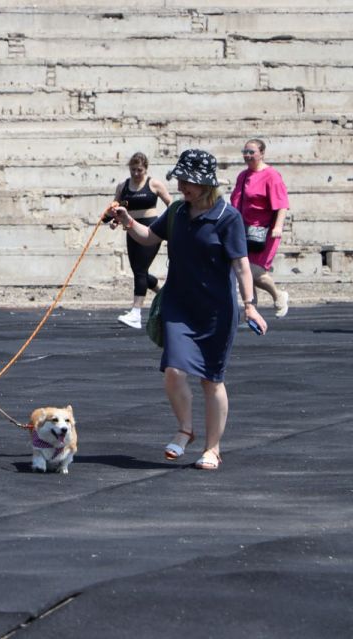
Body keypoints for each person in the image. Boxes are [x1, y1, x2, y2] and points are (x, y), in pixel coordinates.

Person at [109, 149, 267, 471]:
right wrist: (128, 221)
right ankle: (185, 429)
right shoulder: (177, 211)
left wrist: (250, 306)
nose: (181, 186)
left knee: (211, 380)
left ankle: (213, 448)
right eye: (179, 180)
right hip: (179, 305)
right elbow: (149, 237)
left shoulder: (227, 217)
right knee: (173, 370)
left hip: (216, 311)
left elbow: (241, 266)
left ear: (206, 184)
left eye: (188, 181)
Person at [230, 138, 290, 318]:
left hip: (264, 232)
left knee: (254, 272)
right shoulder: (243, 175)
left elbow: (282, 205)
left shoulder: (271, 175)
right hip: (243, 230)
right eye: (245, 152)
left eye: (252, 152)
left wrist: (278, 226)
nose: (247, 156)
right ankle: (251, 310)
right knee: (243, 271)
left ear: (262, 153)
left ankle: (278, 295)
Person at [112, 152, 173, 329]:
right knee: (140, 273)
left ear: (146, 169)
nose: (136, 173)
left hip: (151, 229)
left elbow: (171, 203)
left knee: (140, 270)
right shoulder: (122, 186)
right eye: (133, 170)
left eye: (139, 170)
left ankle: (136, 312)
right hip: (131, 229)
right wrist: (114, 220)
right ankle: (165, 297)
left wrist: (168, 224)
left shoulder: (154, 184)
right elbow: (115, 207)